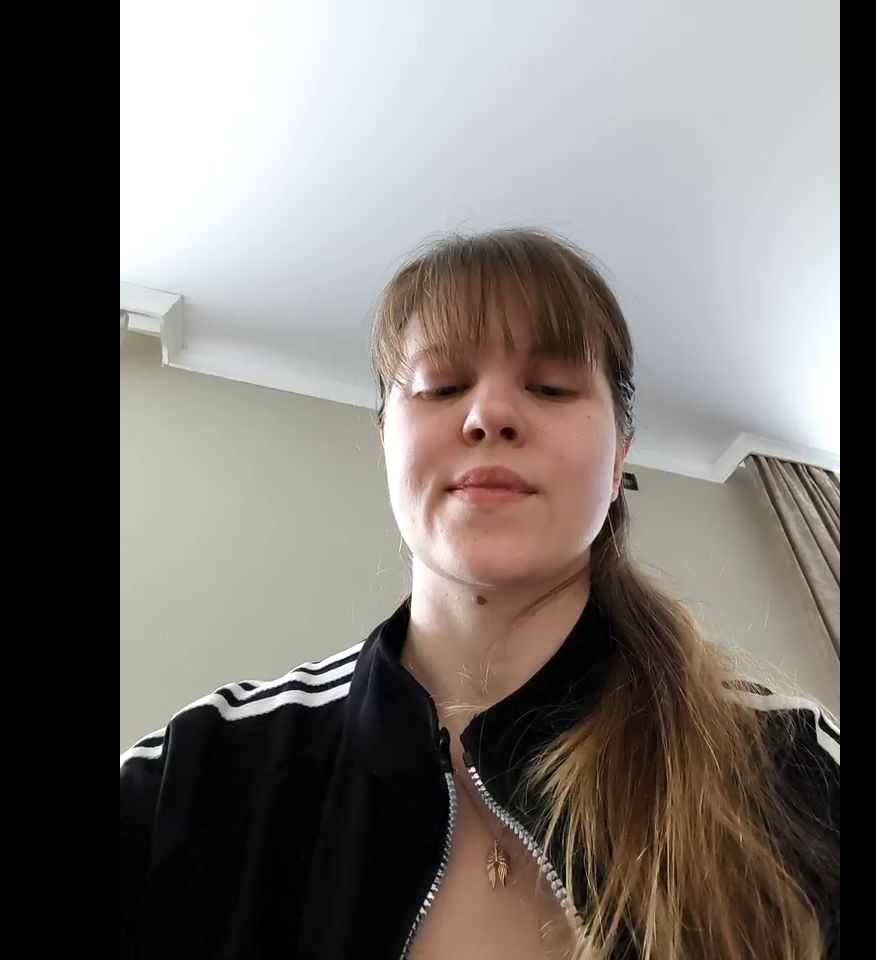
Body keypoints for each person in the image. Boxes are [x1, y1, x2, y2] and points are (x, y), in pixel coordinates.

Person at [120, 229, 839, 960]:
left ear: (620, 454)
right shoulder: (191, 771)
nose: (489, 414)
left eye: (551, 387)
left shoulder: (795, 762)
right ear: (386, 440)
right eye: (441, 386)